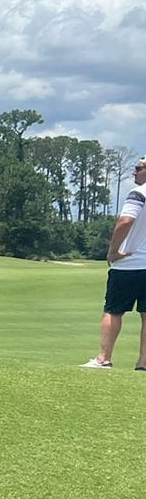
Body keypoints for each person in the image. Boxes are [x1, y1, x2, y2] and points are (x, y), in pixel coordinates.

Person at [81, 156, 146, 370]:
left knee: (113, 311)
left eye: (138, 168)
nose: (134, 172)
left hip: (129, 263)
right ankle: (143, 364)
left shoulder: (139, 193)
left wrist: (112, 251)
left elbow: (126, 221)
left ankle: (103, 359)